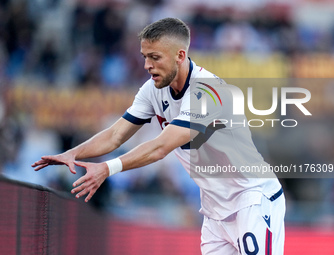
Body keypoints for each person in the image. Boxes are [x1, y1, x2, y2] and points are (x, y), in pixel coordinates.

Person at [32, 17, 285, 255]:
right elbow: (115, 135)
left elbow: (160, 147)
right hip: (215, 210)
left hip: (251, 198)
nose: (147, 66)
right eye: (144, 57)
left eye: (154, 57)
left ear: (180, 56)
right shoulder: (153, 89)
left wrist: (107, 168)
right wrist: (73, 153)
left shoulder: (209, 91)